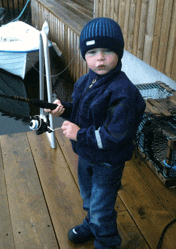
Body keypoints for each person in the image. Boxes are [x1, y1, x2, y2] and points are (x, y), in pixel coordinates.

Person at [45, 17, 146, 249]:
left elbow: (115, 136)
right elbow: (80, 112)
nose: (99, 58)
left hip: (107, 163)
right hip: (87, 156)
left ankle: (107, 242)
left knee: (102, 208)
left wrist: (80, 135)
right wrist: (62, 110)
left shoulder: (124, 93)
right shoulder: (84, 81)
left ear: (119, 53)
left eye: (107, 50)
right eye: (92, 52)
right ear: (85, 56)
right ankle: (91, 224)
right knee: (89, 198)